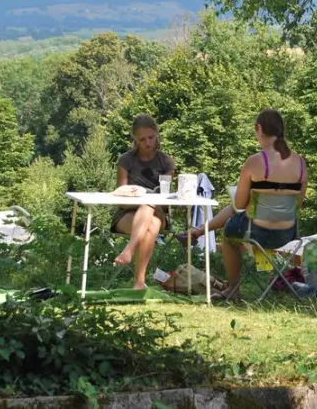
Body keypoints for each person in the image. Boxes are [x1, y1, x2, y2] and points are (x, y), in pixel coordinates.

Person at [176, 108, 306, 300]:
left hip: (259, 232)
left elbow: (239, 203)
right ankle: (198, 231)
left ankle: (233, 289)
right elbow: (298, 204)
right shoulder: (300, 163)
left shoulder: (255, 161)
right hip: (288, 234)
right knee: (237, 213)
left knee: (230, 231)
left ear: (259, 128)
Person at [112, 113, 176, 289]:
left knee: (151, 205)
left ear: (157, 134)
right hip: (127, 214)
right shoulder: (125, 160)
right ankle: (139, 282)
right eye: (142, 139)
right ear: (135, 138)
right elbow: (120, 200)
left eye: (151, 137)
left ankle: (129, 249)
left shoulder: (166, 162)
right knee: (151, 225)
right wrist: (142, 200)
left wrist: (149, 201)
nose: (148, 143)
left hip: (159, 213)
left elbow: (165, 199)